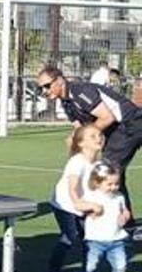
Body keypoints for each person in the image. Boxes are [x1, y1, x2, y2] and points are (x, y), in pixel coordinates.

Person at [37, 66, 142, 221]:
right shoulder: (66, 102)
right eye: (41, 88)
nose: (44, 91)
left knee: (107, 170)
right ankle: (125, 222)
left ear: (60, 80)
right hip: (116, 130)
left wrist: (84, 136)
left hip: (131, 124)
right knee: (109, 170)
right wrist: (75, 147)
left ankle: (116, 220)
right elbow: (80, 130)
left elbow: (107, 117)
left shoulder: (80, 91)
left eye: (47, 86)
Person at [42, 125, 103, 272]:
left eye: (99, 135)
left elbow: (101, 187)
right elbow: (72, 187)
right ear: (81, 143)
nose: (98, 138)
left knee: (91, 241)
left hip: (83, 206)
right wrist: (78, 203)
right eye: (92, 136)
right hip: (64, 205)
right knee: (70, 236)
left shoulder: (98, 164)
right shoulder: (77, 161)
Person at [79, 161, 135, 272]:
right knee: (90, 264)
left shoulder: (119, 197)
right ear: (97, 182)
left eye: (116, 184)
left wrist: (124, 216)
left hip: (116, 238)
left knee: (120, 265)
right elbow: (81, 208)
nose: (113, 187)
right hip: (95, 239)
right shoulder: (92, 196)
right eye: (109, 184)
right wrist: (89, 210)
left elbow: (125, 211)